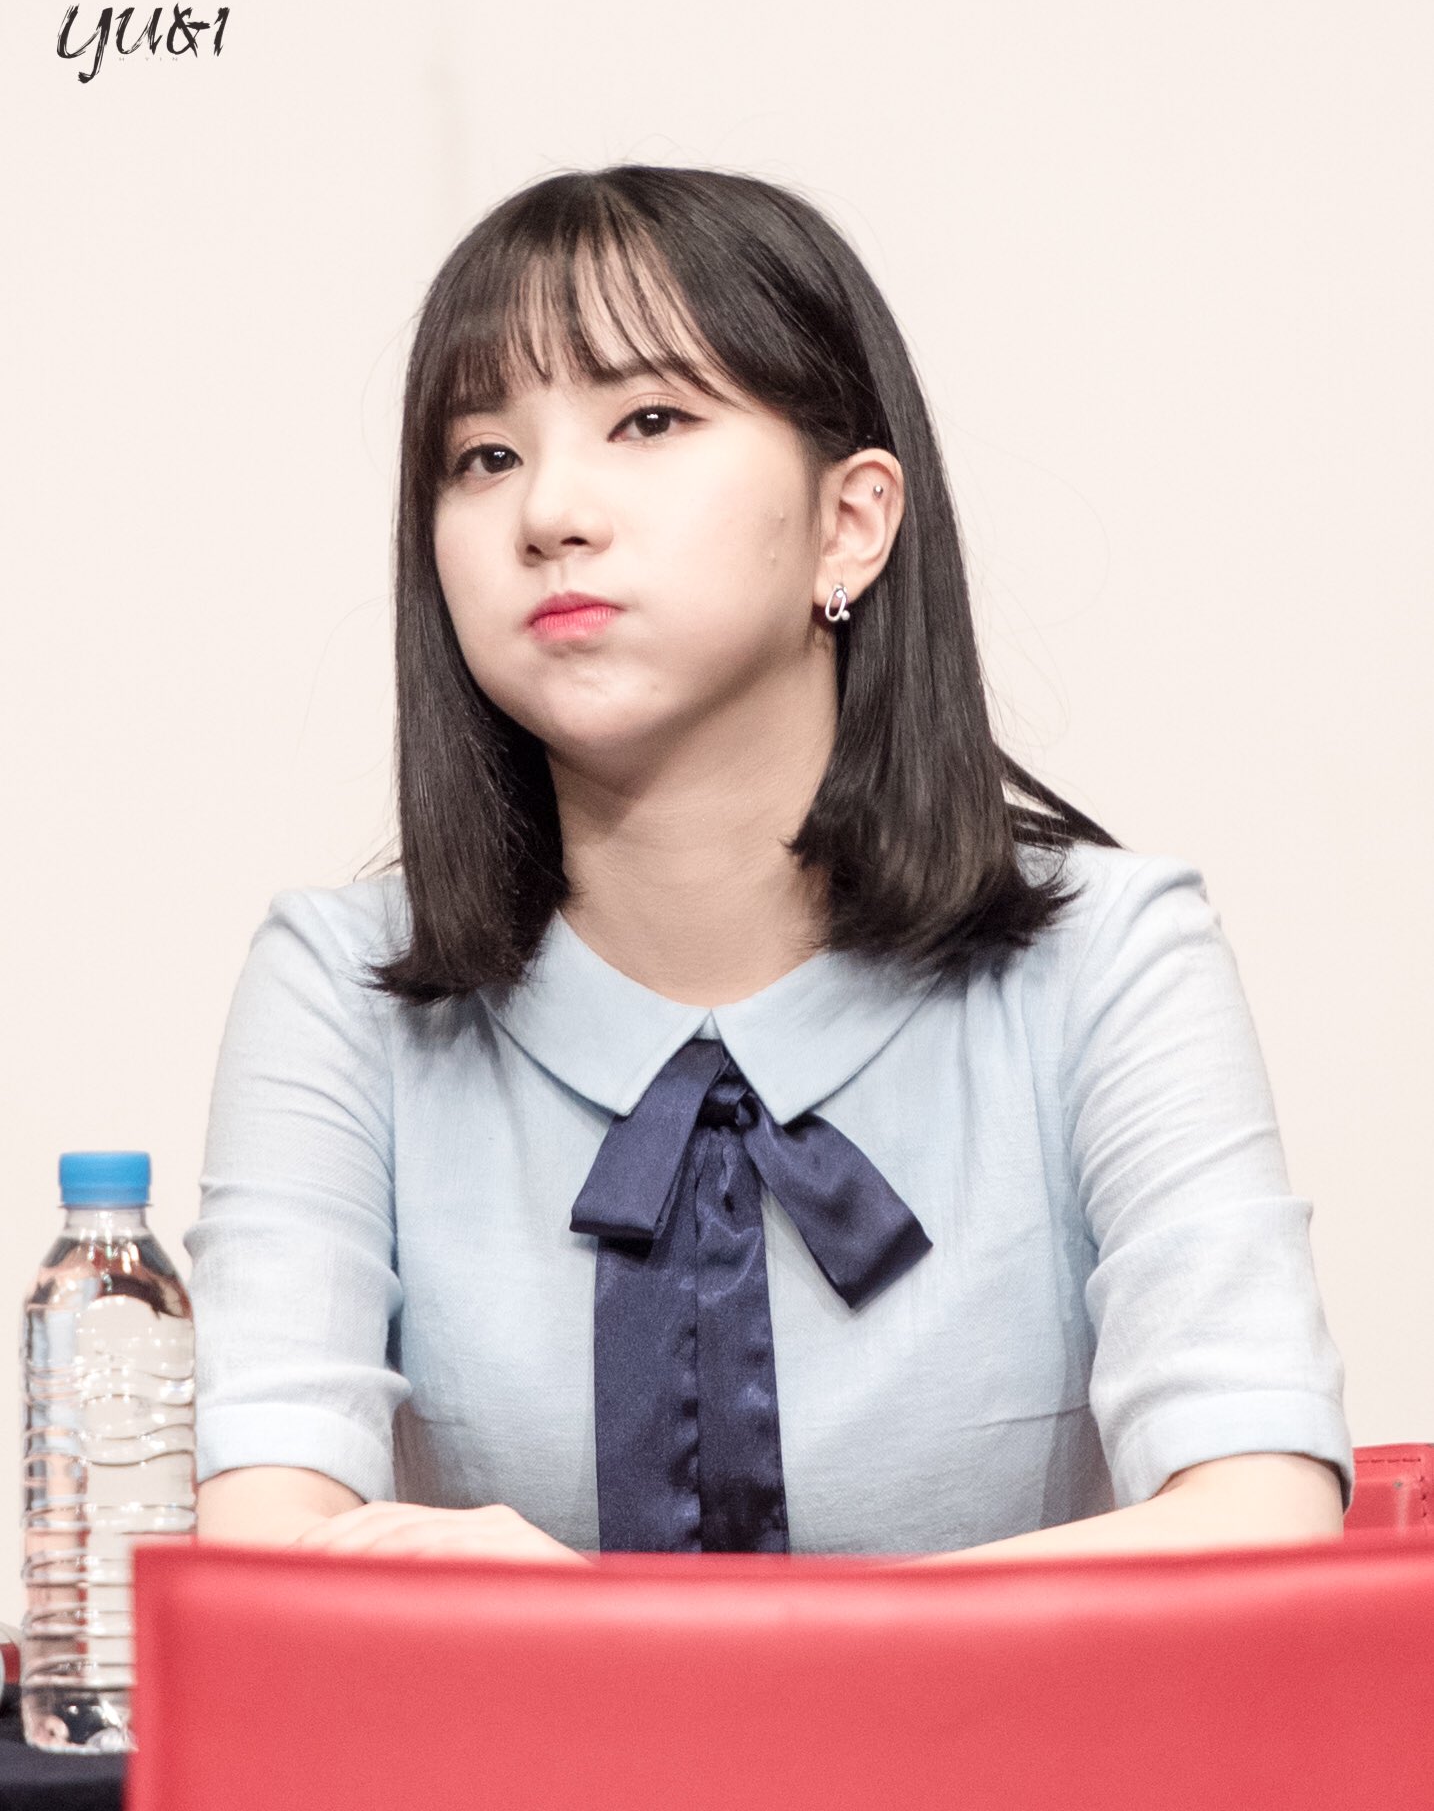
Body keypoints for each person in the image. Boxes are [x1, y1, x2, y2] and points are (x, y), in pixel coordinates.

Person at [187, 164, 1352, 1565]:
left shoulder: (1108, 958)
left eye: (648, 420)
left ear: (848, 522)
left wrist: (645, 1649)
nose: (547, 510)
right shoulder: (338, 989)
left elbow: (1259, 1516)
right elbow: (264, 1536)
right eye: (483, 456)